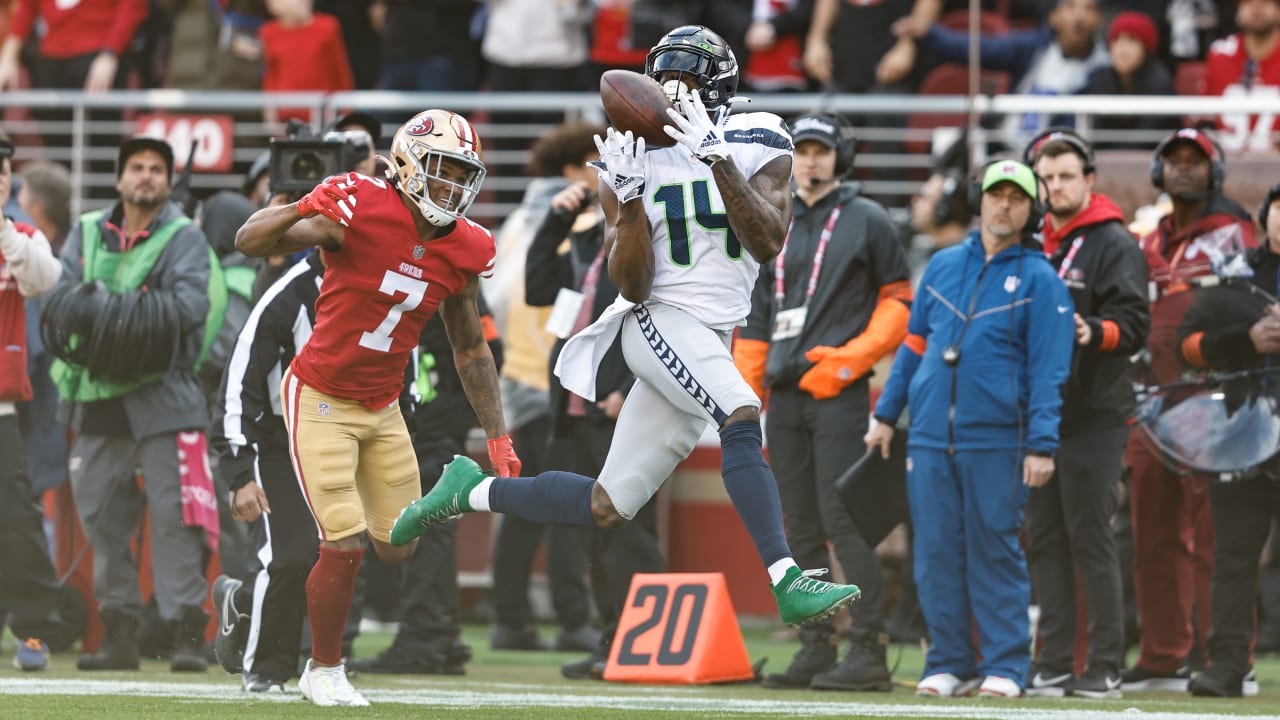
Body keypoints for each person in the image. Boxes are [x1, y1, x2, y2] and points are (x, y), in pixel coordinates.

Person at [393, 25, 863, 630]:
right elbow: (632, 284)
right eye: (662, 81)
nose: (672, 93)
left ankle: (468, 491)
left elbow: (768, 241)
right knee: (743, 415)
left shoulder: (760, 135)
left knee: (608, 504)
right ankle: (786, 578)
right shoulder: (629, 153)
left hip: (711, 335)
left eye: (686, 81)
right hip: (656, 321)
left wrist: (716, 158)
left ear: (717, 86)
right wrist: (631, 198)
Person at [233, 108, 518, 707]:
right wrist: (306, 202)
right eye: (440, 170)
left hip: (383, 404)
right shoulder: (359, 205)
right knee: (344, 541)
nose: (450, 187)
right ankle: (323, 668)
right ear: (409, 164)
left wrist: (496, 435)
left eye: (461, 174)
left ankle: (444, 493)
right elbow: (250, 241)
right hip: (319, 398)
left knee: (399, 546)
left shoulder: (464, 245)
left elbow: (470, 347)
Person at [866, 159, 1075, 699]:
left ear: (1032, 210)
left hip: (1000, 438)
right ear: (980, 201)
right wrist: (886, 415)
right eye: (996, 194)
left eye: (1017, 197)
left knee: (994, 551)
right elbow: (913, 347)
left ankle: (1006, 666)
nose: (1004, 204)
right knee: (935, 553)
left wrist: (1042, 445)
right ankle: (949, 661)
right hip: (931, 435)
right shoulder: (940, 265)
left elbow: (1049, 372)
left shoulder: (1042, 279)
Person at [736, 112, 912, 692]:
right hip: (784, 397)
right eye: (801, 149)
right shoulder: (771, 216)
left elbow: (898, 303)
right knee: (799, 527)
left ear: (842, 155)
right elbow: (757, 316)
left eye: (821, 149)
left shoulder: (867, 219)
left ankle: (867, 648)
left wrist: (849, 361)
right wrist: (743, 393)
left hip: (837, 392)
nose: (810, 159)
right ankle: (816, 646)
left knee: (844, 520)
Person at [42, 136, 223, 673]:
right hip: (96, 395)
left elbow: (189, 307)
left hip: (166, 394)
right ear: (120, 178)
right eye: (136, 167)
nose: (145, 176)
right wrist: (132, 311)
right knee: (100, 519)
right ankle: (118, 633)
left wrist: (104, 310)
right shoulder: (88, 229)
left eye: (155, 169)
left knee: (176, 519)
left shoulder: (185, 237)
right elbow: (63, 299)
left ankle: (187, 633)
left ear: (168, 182)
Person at [1123, 127, 1257, 692]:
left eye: (1194, 162)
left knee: (1214, 538)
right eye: (1173, 161)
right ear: (1158, 174)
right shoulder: (1148, 240)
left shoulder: (1237, 233)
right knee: (1150, 531)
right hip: (1155, 399)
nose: (1183, 170)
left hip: (1215, 395)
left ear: (1215, 172)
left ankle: (1225, 657)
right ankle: (1162, 653)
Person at [1021, 128, 1150, 699]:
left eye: (1066, 176)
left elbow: (1136, 327)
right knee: (1045, 539)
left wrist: (1089, 330)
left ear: (1089, 180)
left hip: (1096, 411)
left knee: (1091, 537)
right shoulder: (1031, 240)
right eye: (1046, 178)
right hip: (1041, 414)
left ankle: (1105, 665)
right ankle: (1052, 660)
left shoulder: (1113, 242)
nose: (1055, 187)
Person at [523, 169, 664, 681]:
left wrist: (628, 392)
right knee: (593, 537)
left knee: (630, 537)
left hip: (618, 411)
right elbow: (538, 289)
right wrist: (554, 221)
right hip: (574, 412)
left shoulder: (652, 242)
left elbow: (668, 320)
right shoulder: (584, 239)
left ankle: (649, 643)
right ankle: (613, 644)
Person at [483, 121, 597, 653]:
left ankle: (510, 617)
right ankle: (575, 619)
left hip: (513, 379)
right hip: (559, 381)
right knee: (569, 507)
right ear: (574, 169)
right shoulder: (580, 218)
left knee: (520, 507)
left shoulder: (515, 221)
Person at [1175, 181, 1280, 698]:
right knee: (1233, 556)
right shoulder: (1232, 277)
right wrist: (1247, 340)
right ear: (1265, 217)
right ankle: (1228, 665)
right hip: (1243, 432)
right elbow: (1188, 347)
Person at [0, 136, 63, 672]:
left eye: (2, 174)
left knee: (17, 516)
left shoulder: (21, 236)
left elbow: (45, 279)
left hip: (2, 409)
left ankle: (35, 626)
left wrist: (2, 229)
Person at [893, 0, 1108, 149]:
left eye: (1088, 8)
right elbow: (981, 49)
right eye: (1071, 7)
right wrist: (930, 34)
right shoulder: (1033, 47)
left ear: (1098, 18)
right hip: (1005, 146)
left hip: (1057, 159)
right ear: (1054, 17)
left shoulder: (1105, 67)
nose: (1080, 16)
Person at [1079, 11, 1178, 149]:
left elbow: (1144, 139)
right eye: (1117, 40)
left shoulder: (1160, 84)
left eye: (1131, 40)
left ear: (1146, 48)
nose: (1122, 49)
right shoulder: (1099, 79)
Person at [1206, 0, 1280, 153]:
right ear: (1237, 13)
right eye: (1247, 2)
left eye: (1266, 2)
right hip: (1226, 161)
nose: (1256, 7)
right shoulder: (1219, 53)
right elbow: (1203, 117)